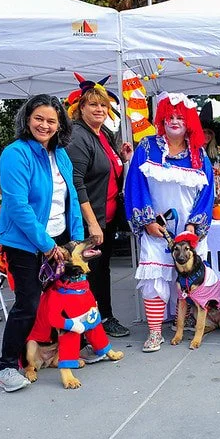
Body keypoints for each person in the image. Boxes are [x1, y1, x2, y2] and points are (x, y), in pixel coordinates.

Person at [0, 94, 84, 392]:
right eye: (39, 119)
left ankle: (58, 354)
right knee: (28, 304)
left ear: (60, 125)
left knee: (62, 301)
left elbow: (71, 199)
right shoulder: (15, 154)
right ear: (27, 119)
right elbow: (18, 206)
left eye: (51, 121)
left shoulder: (61, 154)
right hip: (25, 243)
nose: (44, 125)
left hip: (59, 238)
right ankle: (7, 366)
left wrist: (76, 240)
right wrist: (46, 245)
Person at [124, 92, 214, 353]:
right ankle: (155, 332)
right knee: (154, 276)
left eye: (180, 117)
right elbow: (135, 185)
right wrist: (147, 221)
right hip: (156, 227)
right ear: (162, 119)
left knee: (190, 277)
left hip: (189, 230)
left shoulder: (198, 154)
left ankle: (183, 321)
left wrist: (194, 226)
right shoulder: (146, 147)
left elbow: (207, 193)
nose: (175, 121)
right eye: (170, 116)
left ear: (189, 122)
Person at [65, 75, 133, 338]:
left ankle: (103, 317)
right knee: (88, 272)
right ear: (80, 107)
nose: (99, 109)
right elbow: (77, 183)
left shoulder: (103, 133)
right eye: (93, 104)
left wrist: (122, 158)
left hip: (108, 217)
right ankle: (89, 325)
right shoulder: (78, 136)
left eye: (103, 105)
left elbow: (108, 170)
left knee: (101, 270)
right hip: (90, 220)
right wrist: (93, 223)